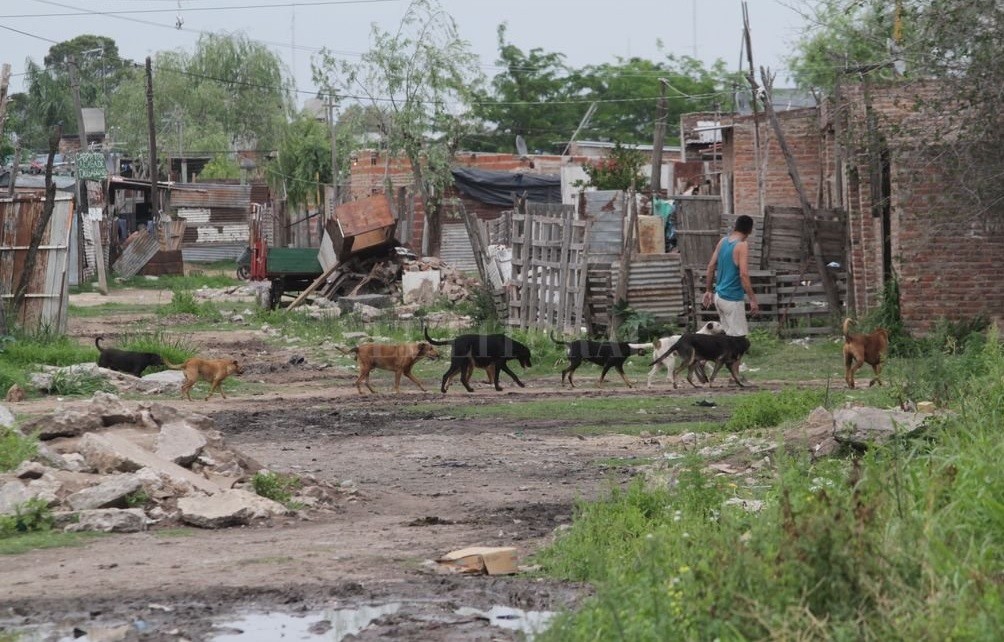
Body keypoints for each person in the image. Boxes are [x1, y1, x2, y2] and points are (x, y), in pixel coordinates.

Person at [701, 215, 759, 337]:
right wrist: (752, 299)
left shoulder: (723, 241)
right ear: (750, 230)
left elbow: (711, 266)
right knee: (738, 338)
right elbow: (743, 274)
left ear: (735, 226)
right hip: (732, 299)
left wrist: (708, 290)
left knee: (727, 338)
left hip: (719, 297)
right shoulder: (742, 245)